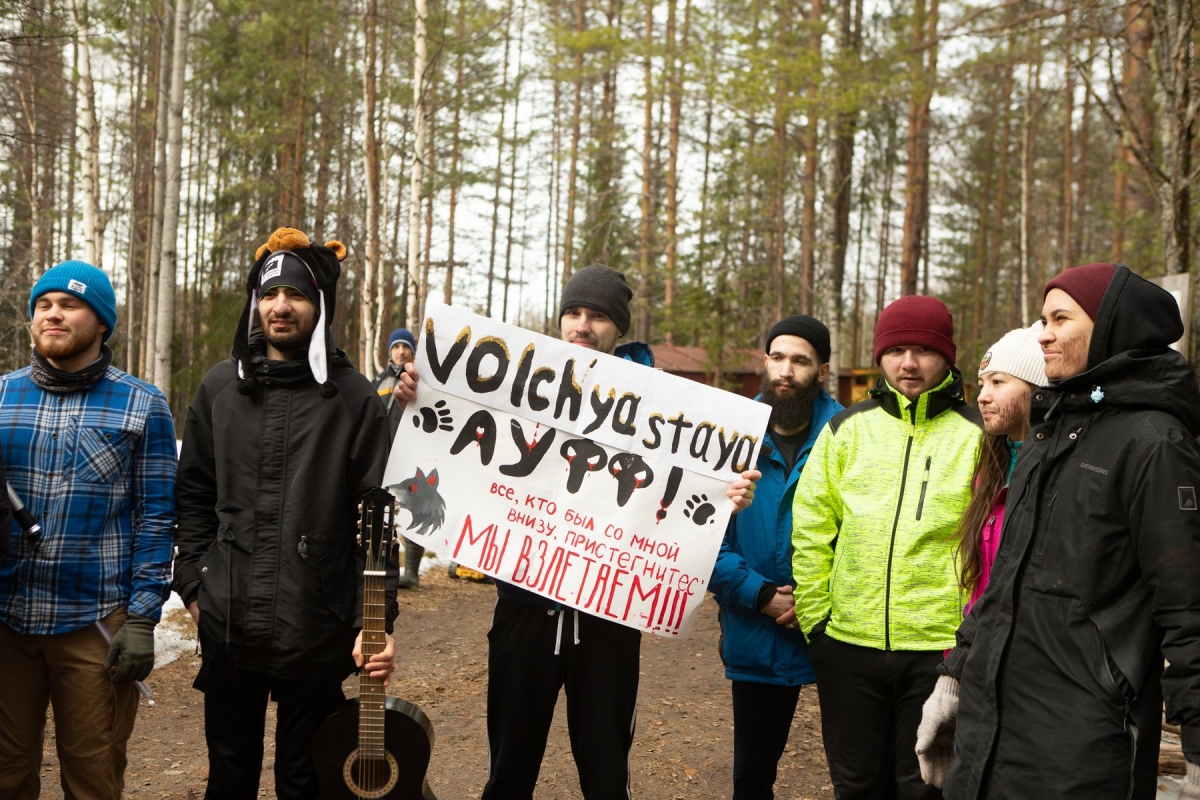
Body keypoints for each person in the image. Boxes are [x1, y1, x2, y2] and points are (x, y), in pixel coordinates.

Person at [393, 262, 760, 800]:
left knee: (606, 772)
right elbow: (453, 440)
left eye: (597, 316)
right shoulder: (521, 379)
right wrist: (412, 400)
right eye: (573, 312)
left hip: (609, 618)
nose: (582, 325)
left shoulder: (661, 404)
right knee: (509, 769)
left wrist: (728, 497)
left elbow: (686, 493)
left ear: (619, 328)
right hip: (523, 608)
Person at [917, 263, 1200, 800]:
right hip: (990, 730)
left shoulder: (1156, 443)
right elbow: (1006, 578)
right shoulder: (1051, 432)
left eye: (1059, 318)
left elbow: (1189, 606)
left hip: (1082, 748)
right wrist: (953, 678)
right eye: (1042, 318)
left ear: (1111, 326)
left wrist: (1197, 751)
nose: (1042, 332)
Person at [173, 228, 398, 799]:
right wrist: (197, 585)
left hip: (315, 622)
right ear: (255, 302)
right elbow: (194, 492)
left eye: (296, 294)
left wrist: (377, 621)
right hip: (229, 620)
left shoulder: (353, 399)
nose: (281, 306)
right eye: (270, 294)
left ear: (318, 304)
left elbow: (378, 517)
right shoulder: (221, 389)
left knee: (306, 779)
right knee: (230, 775)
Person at [790, 295, 982, 800]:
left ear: (948, 357)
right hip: (847, 644)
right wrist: (818, 624)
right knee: (854, 785)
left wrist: (967, 636)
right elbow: (812, 526)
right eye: (897, 350)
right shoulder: (846, 429)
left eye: (924, 350)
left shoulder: (979, 435)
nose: (909, 364)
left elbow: (992, 540)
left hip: (938, 648)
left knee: (924, 786)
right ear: (880, 355)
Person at [0, 261, 177, 799]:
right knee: (5, 773)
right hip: (6, 620)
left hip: (95, 625)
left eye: (69, 305)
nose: (53, 314)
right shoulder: (2, 396)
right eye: (43, 305)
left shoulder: (142, 404)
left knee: (92, 778)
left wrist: (143, 617)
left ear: (101, 322)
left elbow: (156, 518)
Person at [709, 314, 843, 799]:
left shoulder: (850, 435)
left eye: (801, 361)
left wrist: (816, 598)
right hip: (756, 632)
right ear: (766, 361)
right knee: (752, 775)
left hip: (837, 632)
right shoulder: (727, 435)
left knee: (859, 772)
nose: (787, 370)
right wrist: (760, 593)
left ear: (822, 371)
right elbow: (700, 537)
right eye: (778, 357)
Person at [953, 323, 1046, 617]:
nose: (982, 396)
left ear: (1035, 388)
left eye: (998, 382)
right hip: (982, 645)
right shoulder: (989, 471)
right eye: (982, 384)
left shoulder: (1057, 468)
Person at [373, 327, 425, 589]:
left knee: (415, 509)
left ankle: (412, 572)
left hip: (414, 454)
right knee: (384, 513)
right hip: (384, 454)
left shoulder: (422, 380)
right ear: (389, 352)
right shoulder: (379, 382)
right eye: (396, 347)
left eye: (405, 347)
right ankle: (383, 568)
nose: (401, 351)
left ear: (413, 352)